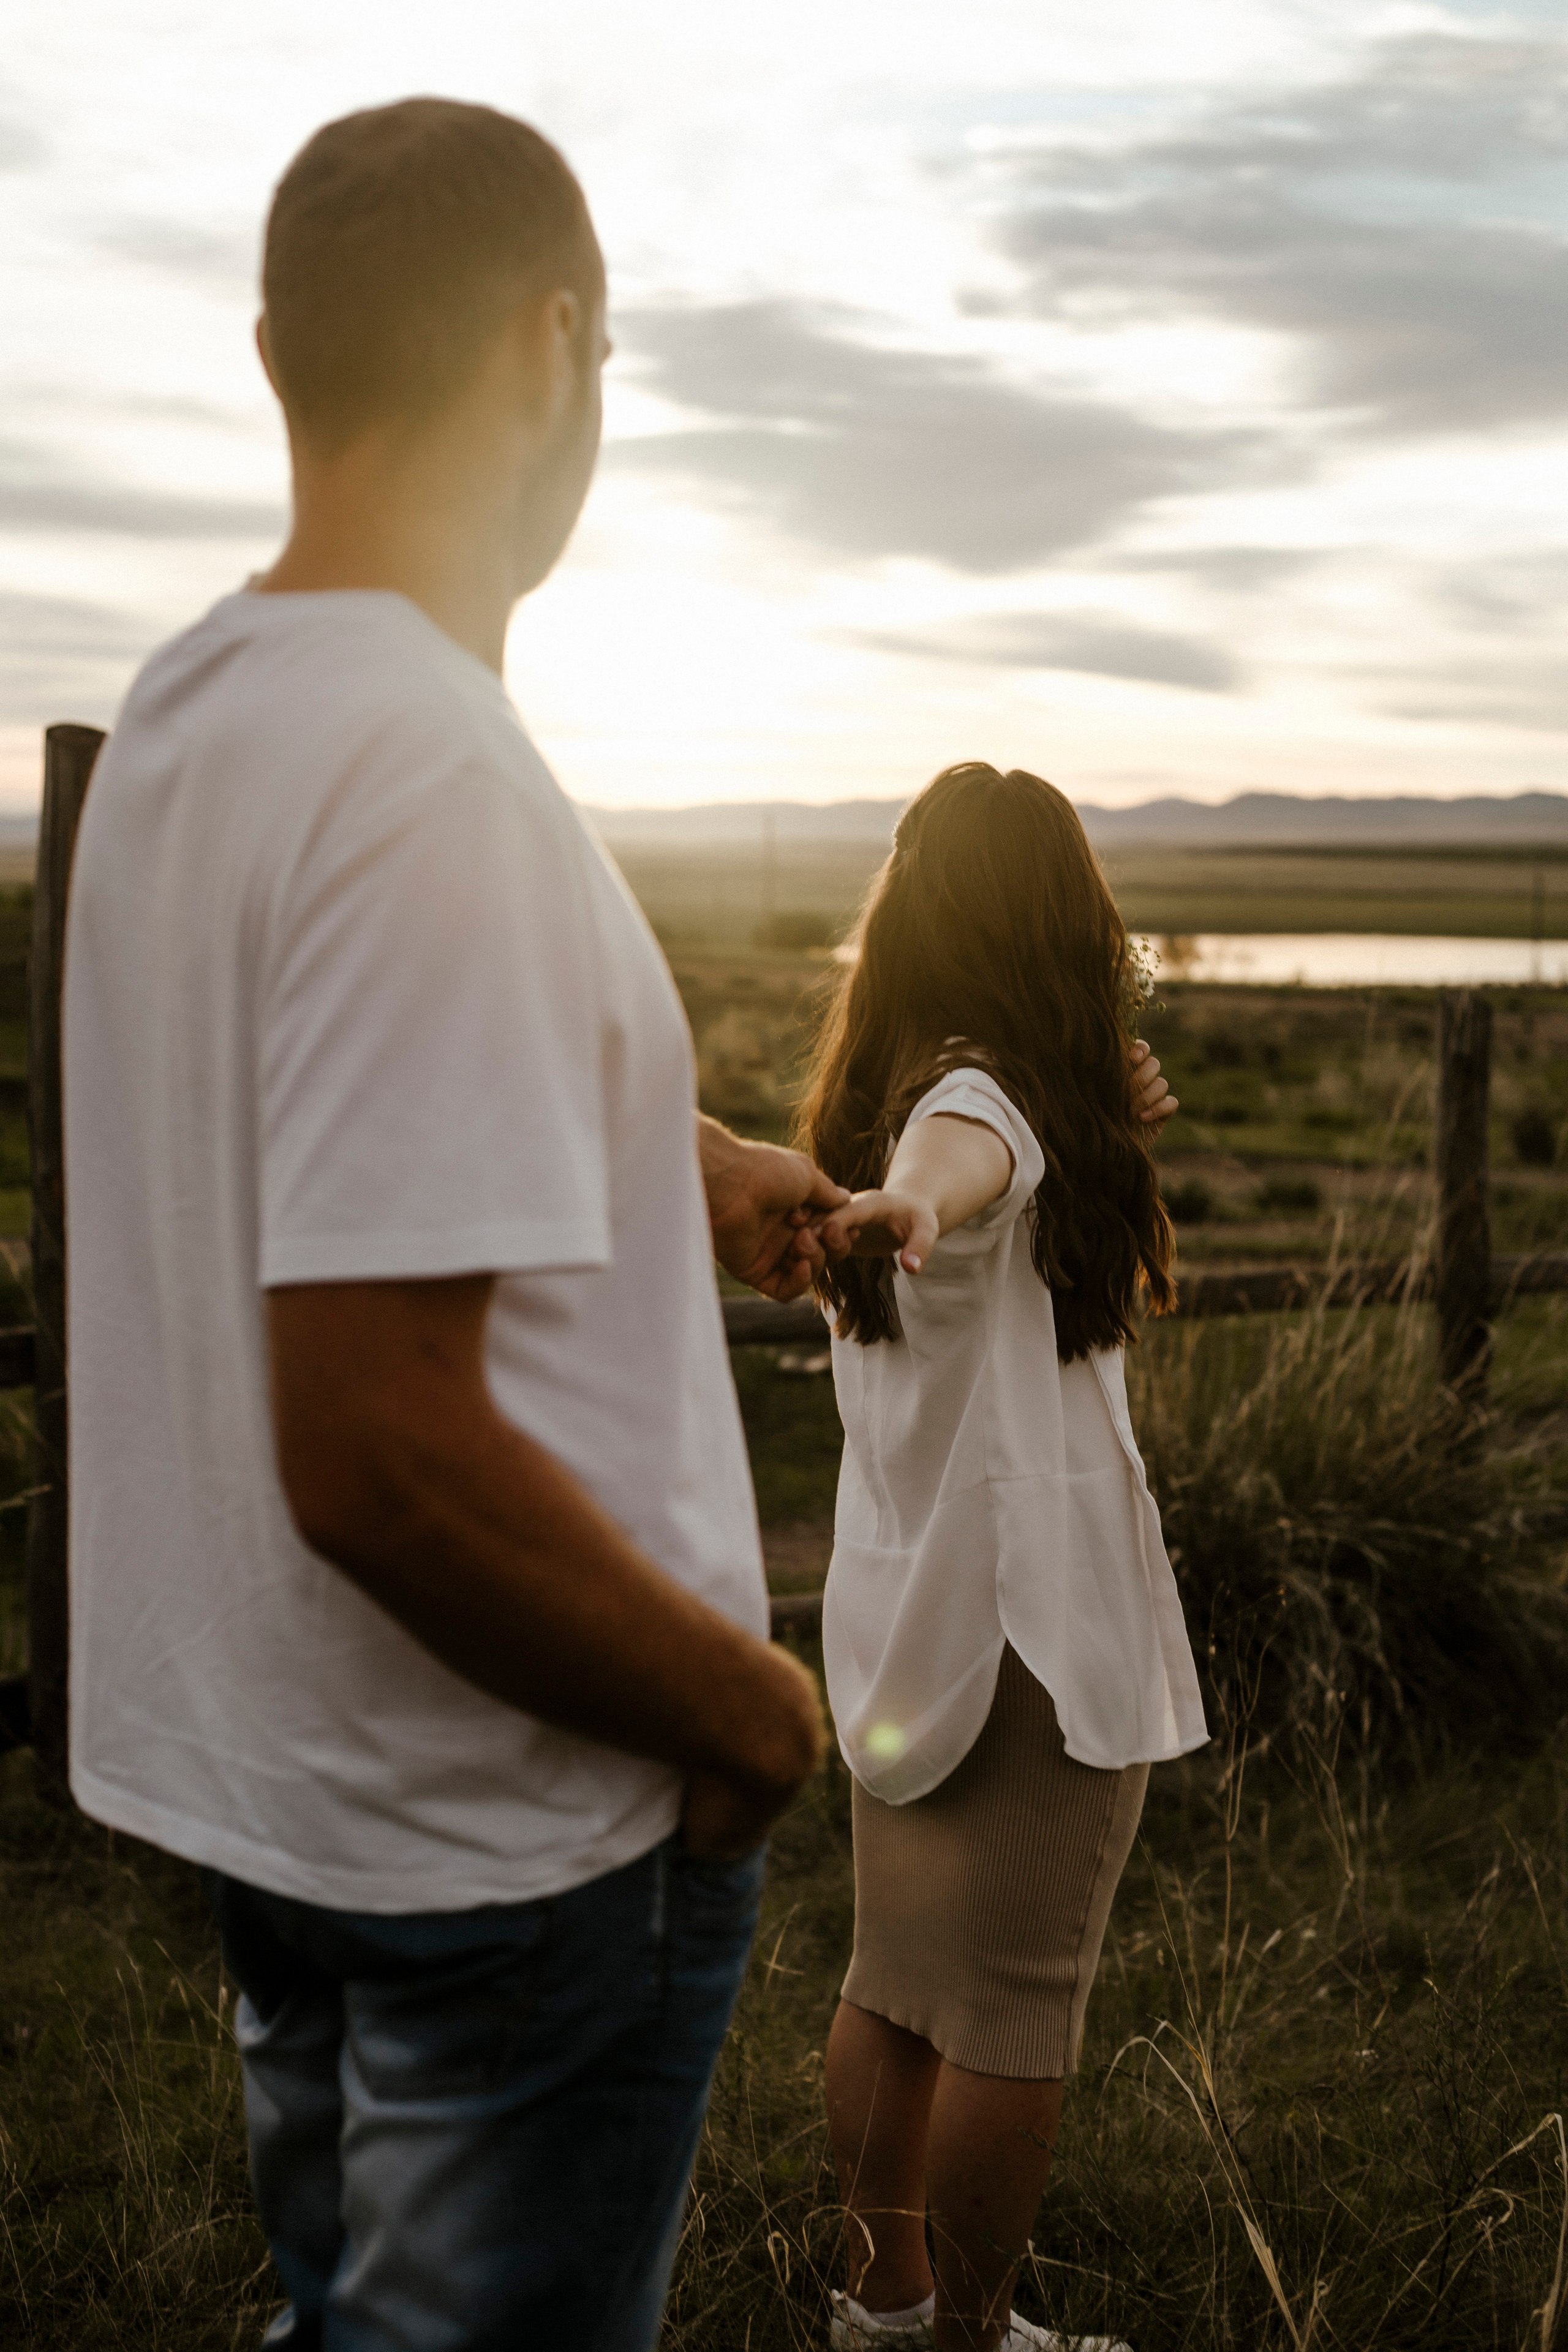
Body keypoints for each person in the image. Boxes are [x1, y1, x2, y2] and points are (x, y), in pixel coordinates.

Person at [62, 99, 843, 2352]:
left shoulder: (209, 710)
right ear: (556, 345)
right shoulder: (430, 761)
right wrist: (752, 1709)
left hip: (296, 1804)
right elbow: (380, 1451)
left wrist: (669, 1164)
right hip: (517, 1835)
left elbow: (284, 1089)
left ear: (278, 353)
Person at [800, 764, 1210, 2352]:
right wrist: (913, 1201)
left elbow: (964, 1163)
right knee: (1012, 2009)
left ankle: (886, 2311)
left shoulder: (893, 1085)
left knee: (896, 1983)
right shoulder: (968, 1114)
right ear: (1057, 919)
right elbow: (956, 1170)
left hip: (909, 1624)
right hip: (1029, 1633)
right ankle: (967, 2338)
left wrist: (1086, 1107)